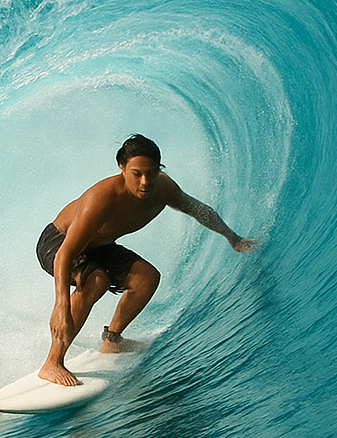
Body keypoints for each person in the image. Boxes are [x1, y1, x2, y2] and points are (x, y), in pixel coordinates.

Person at [35, 134, 254, 386]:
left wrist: (233, 238)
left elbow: (199, 210)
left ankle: (112, 341)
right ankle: (52, 362)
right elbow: (65, 254)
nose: (145, 182)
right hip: (58, 242)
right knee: (96, 281)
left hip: (99, 246)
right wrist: (61, 305)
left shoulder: (164, 189)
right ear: (121, 168)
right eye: (136, 173)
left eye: (151, 172)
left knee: (146, 278)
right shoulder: (101, 198)